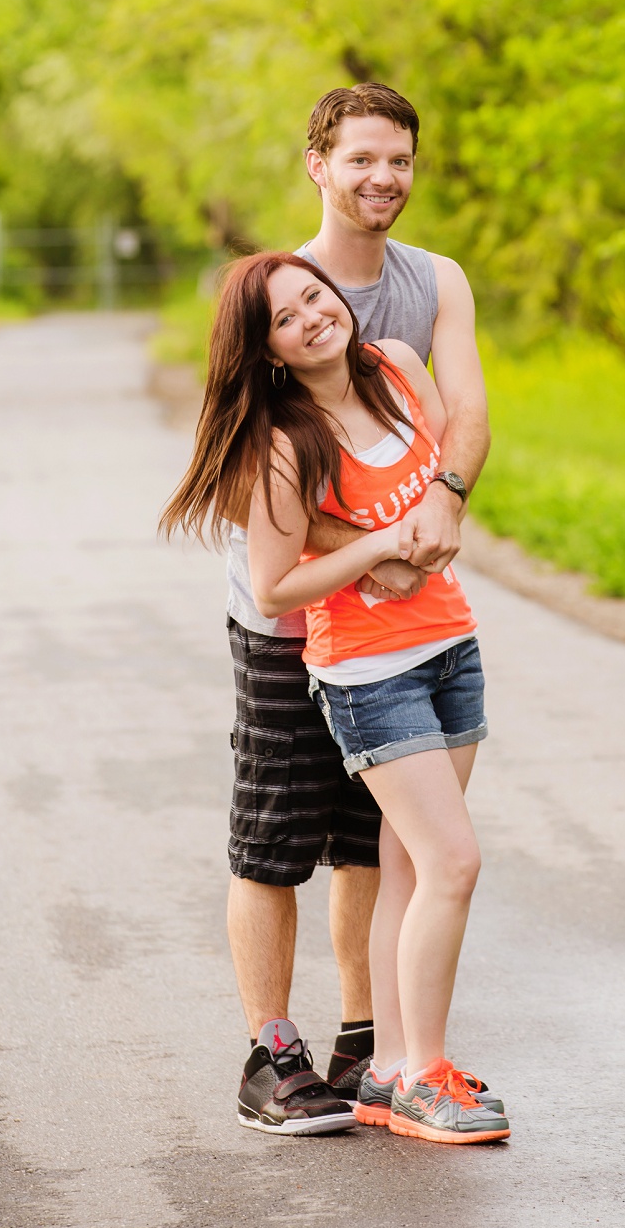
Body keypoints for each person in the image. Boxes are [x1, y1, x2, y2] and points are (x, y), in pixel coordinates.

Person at [164, 251, 508, 1144]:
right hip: (365, 668)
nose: (312, 316)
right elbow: (278, 586)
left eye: (315, 296)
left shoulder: (396, 363)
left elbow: (441, 490)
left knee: (400, 865)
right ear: (266, 349)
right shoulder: (284, 440)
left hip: (449, 646)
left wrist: (432, 524)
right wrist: (380, 545)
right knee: (448, 863)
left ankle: (392, 1070)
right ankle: (407, 1071)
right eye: (285, 317)